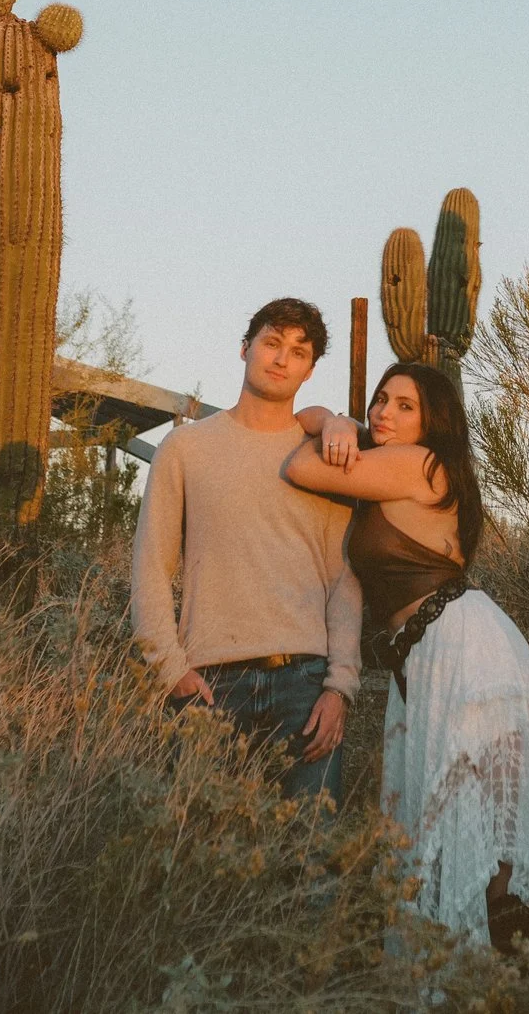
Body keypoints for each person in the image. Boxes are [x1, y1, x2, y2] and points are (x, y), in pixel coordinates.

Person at [285, 362, 529, 960]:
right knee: (449, 821)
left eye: (403, 406)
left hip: (461, 647)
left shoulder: (417, 464)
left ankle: (492, 967)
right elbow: (303, 421)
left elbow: (299, 461)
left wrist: (338, 430)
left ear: (432, 421)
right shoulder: (395, 464)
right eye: (378, 402)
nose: (383, 415)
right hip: (425, 655)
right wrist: (339, 419)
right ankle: (476, 968)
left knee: (475, 825)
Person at [132, 297, 358, 803]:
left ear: (310, 369)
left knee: (309, 861)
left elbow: (342, 579)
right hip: (210, 687)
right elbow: (150, 564)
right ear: (245, 349)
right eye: (272, 343)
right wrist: (169, 669)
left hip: (304, 685)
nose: (282, 359)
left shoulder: (320, 458)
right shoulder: (186, 448)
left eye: (298, 352)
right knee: (204, 864)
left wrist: (339, 686)